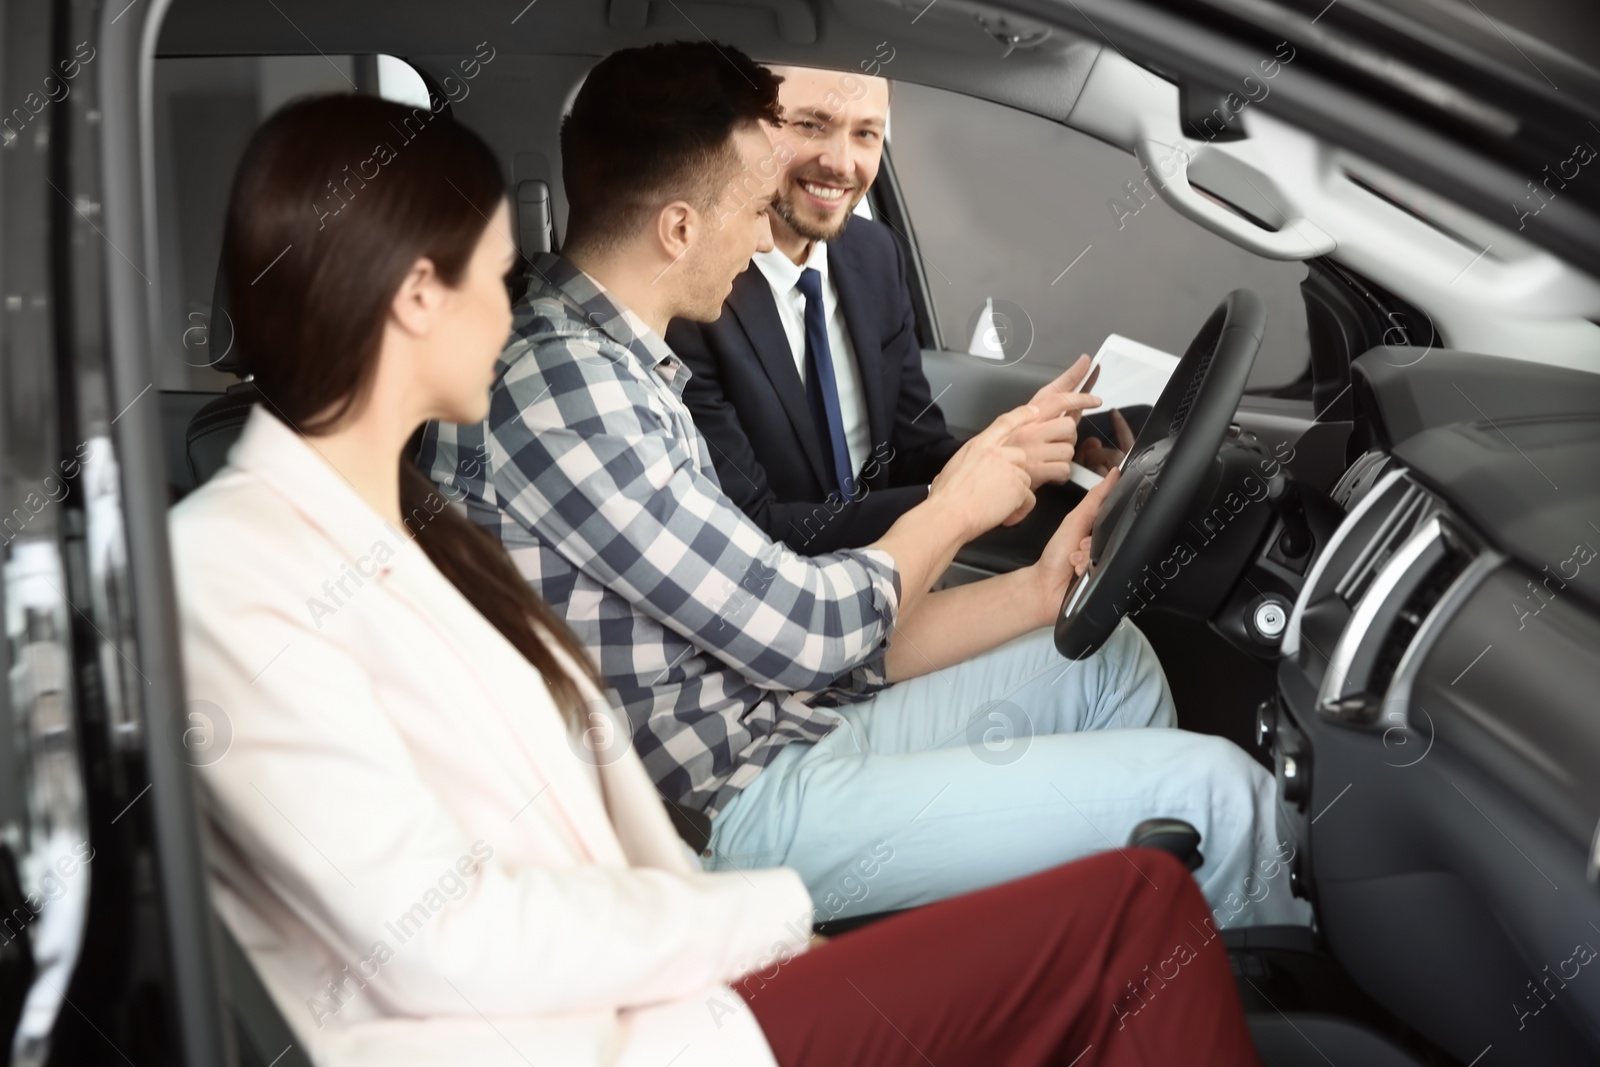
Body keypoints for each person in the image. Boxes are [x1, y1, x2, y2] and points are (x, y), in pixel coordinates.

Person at [170, 91, 1265, 1067]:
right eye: (491, 275)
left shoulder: (415, 513)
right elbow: (440, 937)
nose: (512, 310)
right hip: (642, 991)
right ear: (417, 295)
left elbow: (637, 726)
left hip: (686, 893)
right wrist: (758, 915)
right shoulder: (243, 562)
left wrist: (1031, 587)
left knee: (1114, 703)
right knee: (1165, 870)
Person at [423, 41, 1308, 931]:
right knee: (1222, 797)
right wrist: (956, 501)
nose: (765, 230)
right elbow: (805, 632)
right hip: (728, 809)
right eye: (752, 207)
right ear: (681, 228)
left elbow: (785, 635)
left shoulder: (615, 358)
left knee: (1108, 664)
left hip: (784, 720)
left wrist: (1039, 588)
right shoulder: (573, 394)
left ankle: (1100, 953)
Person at [666, 65, 1137, 554]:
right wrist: (956, 498)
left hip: (903, 572)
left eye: (866, 133)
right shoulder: (695, 296)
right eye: (810, 125)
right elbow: (752, 527)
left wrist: (1041, 462)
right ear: (754, 132)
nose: (841, 163)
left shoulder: (873, 254)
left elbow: (916, 450)